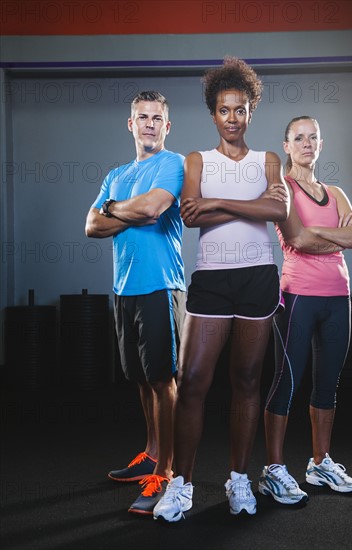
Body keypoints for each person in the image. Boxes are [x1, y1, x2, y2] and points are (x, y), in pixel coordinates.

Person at [153, 56, 290, 522]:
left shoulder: (268, 159)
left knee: (247, 381)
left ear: (251, 111)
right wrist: (249, 204)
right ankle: (182, 485)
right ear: (213, 113)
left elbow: (278, 212)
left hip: (257, 276)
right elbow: (191, 215)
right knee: (192, 382)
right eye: (224, 110)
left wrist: (217, 202)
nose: (233, 118)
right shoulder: (197, 160)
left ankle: (238, 479)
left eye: (241, 109)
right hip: (211, 277)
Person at [85, 91, 186, 515]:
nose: (148, 124)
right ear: (131, 124)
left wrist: (113, 209)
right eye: (141, 117)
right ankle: (150, 452)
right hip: (124, 288)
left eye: (156, 118)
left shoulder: (174, 164)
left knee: (163, 379)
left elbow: (154, 209)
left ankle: (165, 473)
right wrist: (118, 209)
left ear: (167, 125)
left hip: (161, 285)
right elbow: (92, 225)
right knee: (142, 379)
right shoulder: (116, 173)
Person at [259, 116, 352, 505]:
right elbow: (298, 238)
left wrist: (318, 234)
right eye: (299, 138)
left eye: (314, 137)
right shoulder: (281, 190)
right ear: (286, 146)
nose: (307, 143)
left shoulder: (335, 192)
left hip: (338, 297)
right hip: (298, 297)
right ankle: (273, 469)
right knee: (285, 382)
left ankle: (320, 463)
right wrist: (333, 237)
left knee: (327, 384)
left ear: (321, 144)